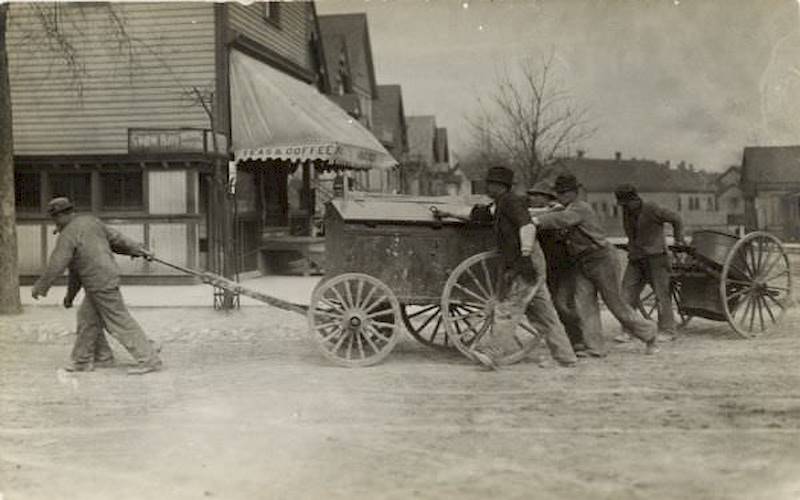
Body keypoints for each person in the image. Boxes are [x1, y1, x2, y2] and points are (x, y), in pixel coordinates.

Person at [436, 167, 577, 369]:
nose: (487, 186)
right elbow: (475, 214)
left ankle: (493, 353)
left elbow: (527, 226)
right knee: (544, 313)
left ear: (500, 186)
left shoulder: (512, 202)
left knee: (509, 306)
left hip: (526, 260)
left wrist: (524, 257)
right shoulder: (501, 204)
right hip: (529, 261)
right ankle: (566, 356)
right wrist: (447, 211)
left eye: (491, 183)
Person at [31, 197, 163, 375]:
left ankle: (149, 359)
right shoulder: (92, 222)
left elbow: (57, 264)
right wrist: (138, 250)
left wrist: (41, 286)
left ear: (61, 215)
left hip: (99, 282)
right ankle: (92, 359)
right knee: (87, 319)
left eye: (55, 218)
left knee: (118, 321)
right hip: (104, 278)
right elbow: (117, 240)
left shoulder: (68, 234)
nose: (55, 222)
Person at [530, 174, 658, 356]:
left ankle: (650, 334)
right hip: (582, 262)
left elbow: (562, 219)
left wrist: (536, 221)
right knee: (584, 305)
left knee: (616, 304)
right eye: (559, 192)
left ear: (575, 192)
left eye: (565, 192)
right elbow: (553, 214)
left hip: (601, 259)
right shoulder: (565, 207)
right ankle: (595, 347)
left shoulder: (581, 208)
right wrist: (534, 214)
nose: (562, 195)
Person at [614, 183, 685, 342]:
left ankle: (668, 330)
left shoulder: (652, 208)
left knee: (661, 294)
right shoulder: (626, 211)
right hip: (636, 258)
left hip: (656, 257)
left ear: (635, 199)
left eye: (626, 204)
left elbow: (676, 218)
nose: (624, 207)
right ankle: (628, 330)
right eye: (622, 204)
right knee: (626, 294)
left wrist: (678, 238)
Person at [526, 181, 586, 352]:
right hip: (547, 266)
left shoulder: (557, 210)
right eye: (531, 195)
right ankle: (564, 340)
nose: (532, 198)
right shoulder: (539, 211)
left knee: (562, 304)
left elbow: (552, 215)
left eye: (537, 195)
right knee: (551, 304)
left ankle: (578, 340)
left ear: (547, 198)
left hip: (562, 264)